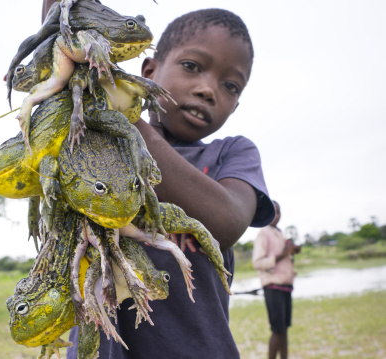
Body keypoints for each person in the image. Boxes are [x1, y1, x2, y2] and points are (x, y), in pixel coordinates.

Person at [41, 2, 275, 358]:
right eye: (192, 66)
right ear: (149, 68)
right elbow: (61, 33)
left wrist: (122, 112)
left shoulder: (232, 153)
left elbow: (226, 223)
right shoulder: (93, 140)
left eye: (230, 86)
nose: (208, 90)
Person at [252, 201, 301, 359]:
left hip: (286, 285)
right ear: (266, 213)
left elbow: (286, 254)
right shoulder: (264, 233)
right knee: (277, 329)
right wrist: (281, 254)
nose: (275, 216)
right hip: (273, 287)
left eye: (278, 212)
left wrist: (292, 251)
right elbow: (257, 263)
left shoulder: (279, 233)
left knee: (284, 329)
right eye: (272, 212)